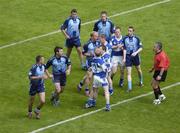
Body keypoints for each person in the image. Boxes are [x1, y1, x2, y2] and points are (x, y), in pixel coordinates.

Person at [77, 32, 100, 96]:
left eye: (97, 36)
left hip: (96, 62)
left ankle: (80, 84)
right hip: (89, 62)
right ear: (92, 37)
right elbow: (83, 53)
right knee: (89, 76)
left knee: (88, 75)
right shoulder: (87, 44)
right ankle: (86, 89)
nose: (97, 37)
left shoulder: (98, 42)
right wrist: (90, 54)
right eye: (95, 36)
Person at [123, 26, 143, 92]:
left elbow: (141, 48)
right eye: (128, 30)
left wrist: (136, 52)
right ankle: (129, 87)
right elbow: (124, 49)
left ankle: (141, 81)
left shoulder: (137, 38)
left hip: (135, 56)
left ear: (133, 32)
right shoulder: (125, 38)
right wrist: (124, 58)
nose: (129, 32)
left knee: (139, 70)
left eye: (130, 31)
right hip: (128, 56)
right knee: (129, 73)